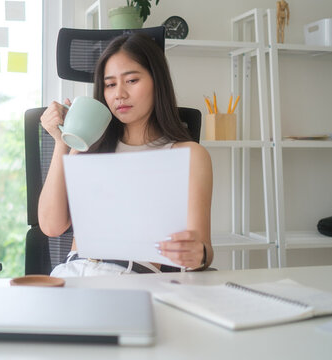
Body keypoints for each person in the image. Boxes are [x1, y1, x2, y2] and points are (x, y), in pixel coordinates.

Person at [39, 32, 213, 276]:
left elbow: (202, 250)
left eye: (131, 80)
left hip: (132, 277)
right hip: (73, 271)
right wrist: (61, 143)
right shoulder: (89, 147)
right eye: (110, 84)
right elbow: (52, 226)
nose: (119, 93)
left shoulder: (187, 154)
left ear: (157, 81)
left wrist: (198, 254)